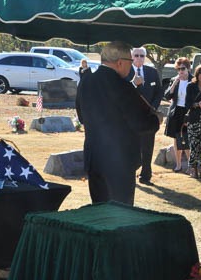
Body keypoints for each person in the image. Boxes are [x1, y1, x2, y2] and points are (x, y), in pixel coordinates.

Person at [75, 41, 160, 205]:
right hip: (119, 161)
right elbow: (140, 124)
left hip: (95, 159)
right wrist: (156, 119)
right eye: (130, 61)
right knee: (121, 212)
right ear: (120, 62)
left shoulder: (86, 81)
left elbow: (82, 117)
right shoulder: (123, 86)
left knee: (99, 209)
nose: (132, 65)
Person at [129, 46, 164, 185]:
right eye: (136, 55)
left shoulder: (152, 72)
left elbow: (159, 92)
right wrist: (133, 83)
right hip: (130, 117)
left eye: (142, 56)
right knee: (131, 147)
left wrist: (153, 107)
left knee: (147, 148)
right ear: (131, 57)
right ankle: (129, 174)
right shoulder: (125, 72)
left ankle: (146, 176)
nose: (139, 58)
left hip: (148, 117)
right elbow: (121, 91)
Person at [163, 57, 192, 172]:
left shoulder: (193, 80)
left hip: (188, 112)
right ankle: (178, 165)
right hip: (176, 112)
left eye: (183, 68)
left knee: (186, 138)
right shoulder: (174, 80)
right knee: (176, 139)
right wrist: (174, 83)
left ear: (188, 68)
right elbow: (167, 96)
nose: (180, 71)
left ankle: (191, 166)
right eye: (178, 69)